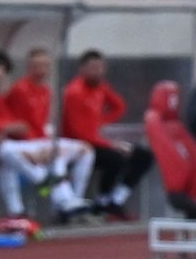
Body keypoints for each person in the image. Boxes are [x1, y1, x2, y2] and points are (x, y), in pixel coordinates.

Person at [0, 55, 94, 223]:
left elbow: (14, 124)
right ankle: (52, 190)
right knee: (5, 152)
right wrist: (7, 130)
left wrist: (18, 136)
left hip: (12, 145)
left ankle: (68, 200)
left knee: (82, 150)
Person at [62, 49, 153, 216]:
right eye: (93, 67)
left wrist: (101, 120)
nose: (98, 72)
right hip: (81, 145)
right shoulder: (75, 92)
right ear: (82, 69)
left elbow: (119, 105)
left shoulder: (100, 87)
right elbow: (79, 133)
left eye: (101, 67)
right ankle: (102, 200)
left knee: (144, 156)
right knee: (115, 158)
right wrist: (111, 145)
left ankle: (117, 199)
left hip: (96, 141)